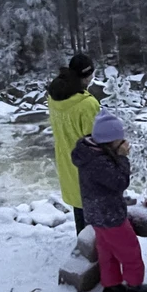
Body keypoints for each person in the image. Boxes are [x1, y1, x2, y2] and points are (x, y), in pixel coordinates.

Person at [71, 110, 147, 292]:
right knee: (130, 250)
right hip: (110, 216)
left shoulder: (89, 153)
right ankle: (134, 286)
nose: (124, 142)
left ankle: (111, 285)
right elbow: (120, 182)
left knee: (106, 250)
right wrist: (123, 157)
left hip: (95, 214)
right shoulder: (99, 162)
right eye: (120, 139)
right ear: (110, 141)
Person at [48, 53, 100, 233]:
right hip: (87, 168)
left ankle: (83, 244)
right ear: (86, 76)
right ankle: (93, 248)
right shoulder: (87, 104)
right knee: (94, 220)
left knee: (80, 210)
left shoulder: (54, 97)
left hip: (66, 161)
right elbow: (95, 141)